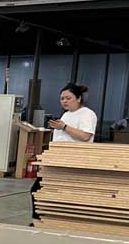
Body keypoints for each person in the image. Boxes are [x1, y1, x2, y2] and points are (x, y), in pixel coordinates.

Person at [30, 84, 97, 222]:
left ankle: (49, 221)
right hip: (57, 160)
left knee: (63, 195)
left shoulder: (87, 114)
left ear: (78, 98)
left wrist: (64, 127)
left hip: (74, 162)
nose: (64, 101)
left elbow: (85, 136)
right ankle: (40, 220)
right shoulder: (66, 114)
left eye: (68, 98)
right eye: (62, 98)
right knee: (38, 190)